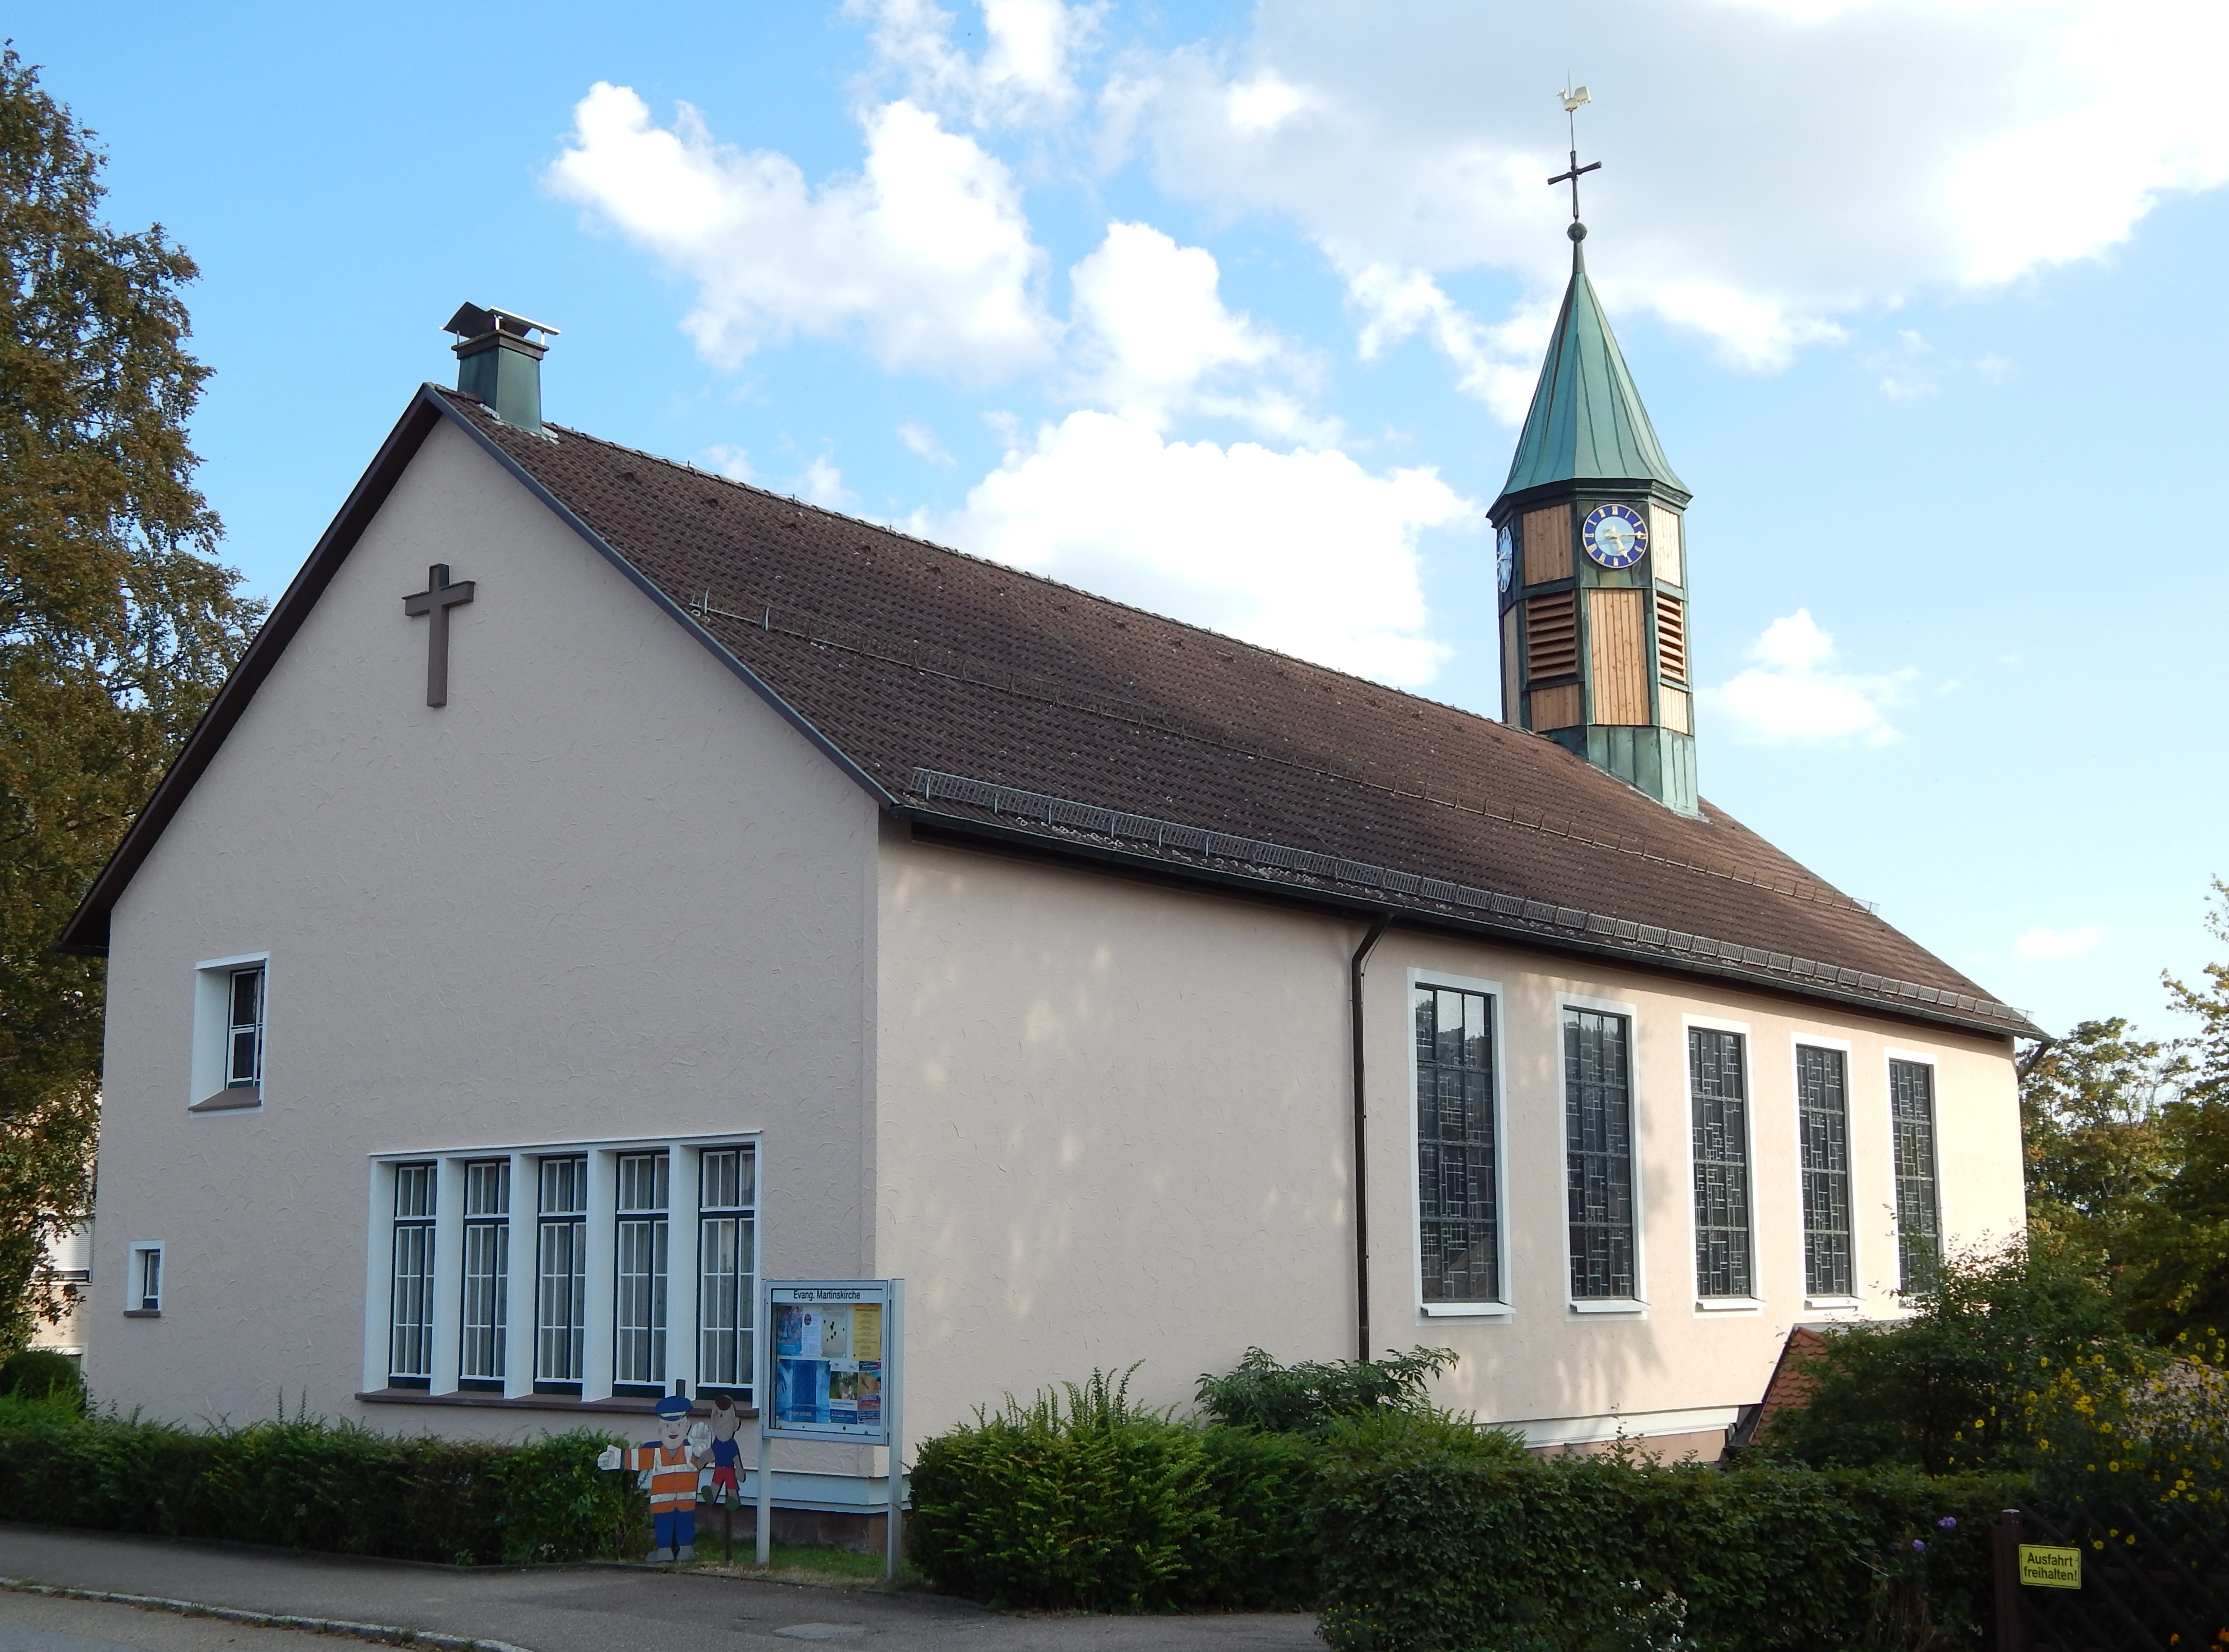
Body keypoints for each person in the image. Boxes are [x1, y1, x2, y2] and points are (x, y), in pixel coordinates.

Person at [597, 1395, 708, 1562]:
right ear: (660, 1430)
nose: (673, 1430)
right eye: (668, 1426)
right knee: (663, 1525)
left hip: (685, 1500)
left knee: (685, 1523)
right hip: (662, 1501)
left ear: (687, 1428)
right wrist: (615, 1459)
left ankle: (685, 1550)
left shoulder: (690, 1451)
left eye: (678, 1425)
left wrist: (701, 1451)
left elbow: (700, 1462)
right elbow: (635, 1458)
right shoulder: (655, 1452)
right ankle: (665, 1551)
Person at [705, 1391, 745, 1503]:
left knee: (731, 1487)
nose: (717, 1419)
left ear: (736, 1424)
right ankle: (711, 1497)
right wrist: (701, 1461)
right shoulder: (716, 1443)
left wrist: (740, 1473)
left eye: (722, 1415)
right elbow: (711, 1454)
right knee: (715, 1484)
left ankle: (734, 1501)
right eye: (716, 1414)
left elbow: (737, 1460)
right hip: (718, 1469)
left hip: (729, 1471)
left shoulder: (732, 1445)